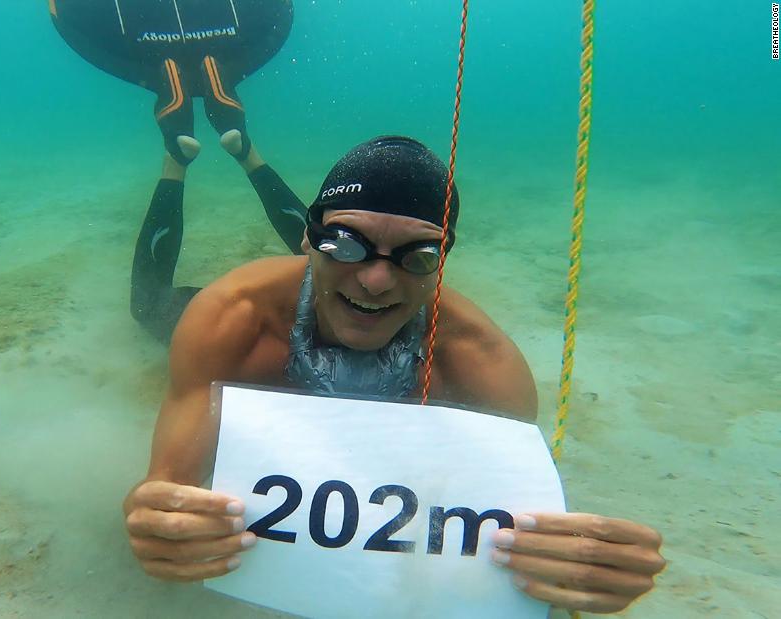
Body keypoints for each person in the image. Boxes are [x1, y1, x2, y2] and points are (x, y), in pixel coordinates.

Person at [122, 136, 667, 615]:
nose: (377, 281)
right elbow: (166, 483)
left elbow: (501, 542)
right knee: (147, 308)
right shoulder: (232, 317)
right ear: (311, 241)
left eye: (418, 256)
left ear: (442, 261)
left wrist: (584, 565)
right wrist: (152, 517)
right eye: (344, 243)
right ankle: (186, 163)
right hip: (270, 295)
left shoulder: (482, 367)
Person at [49, 0, 308, 342]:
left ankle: (195, 151)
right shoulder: (344, 309)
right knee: (338, 276)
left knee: (148, 306)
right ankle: (238, 146)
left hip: (318, 311)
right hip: (323, 313)